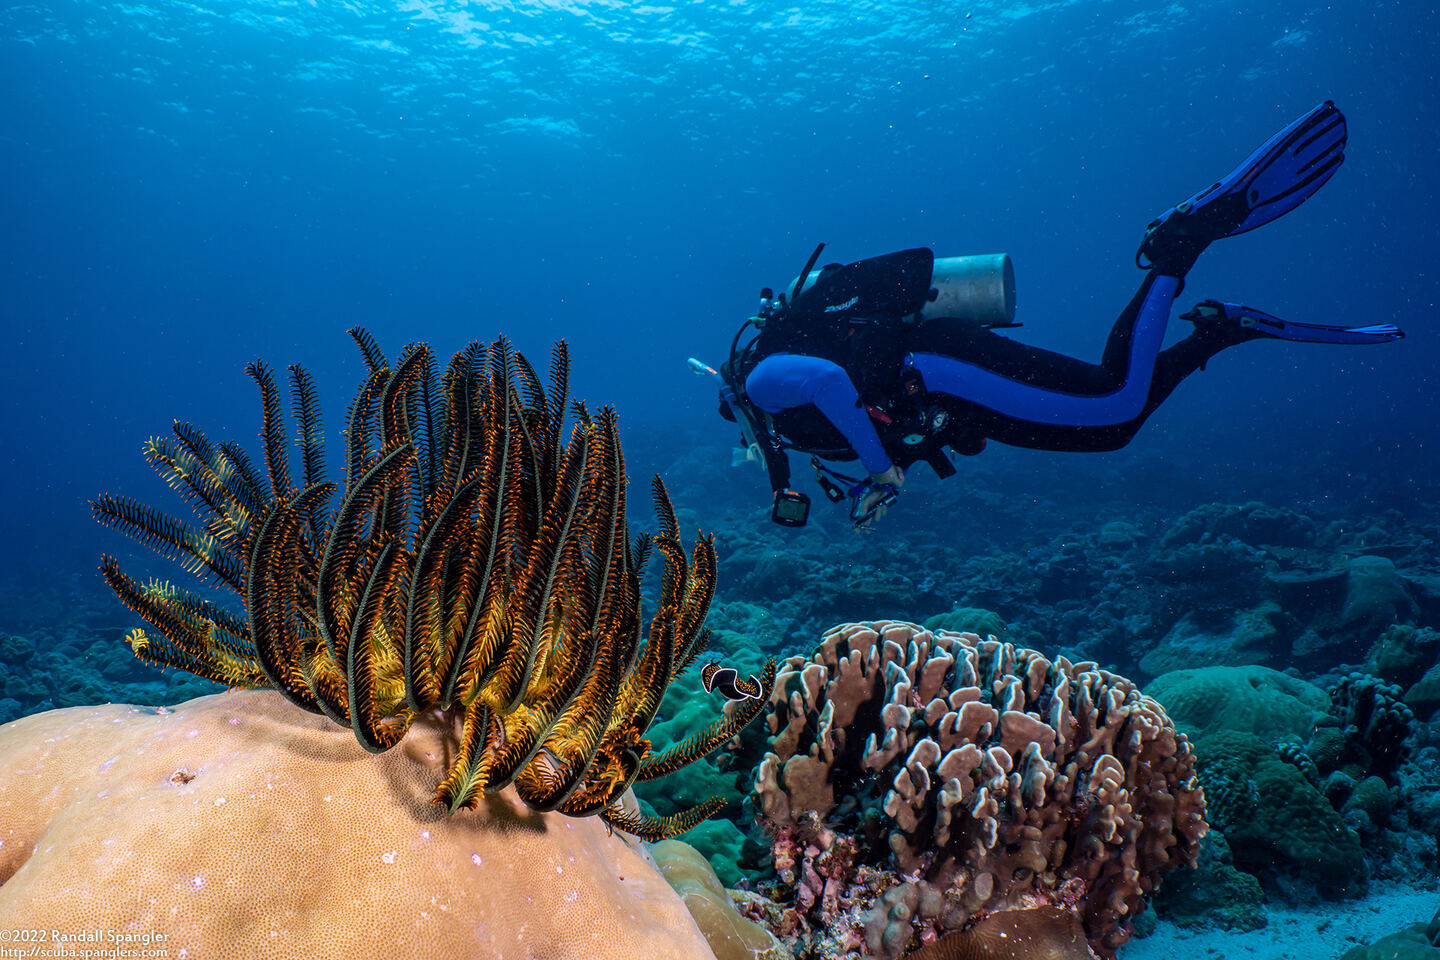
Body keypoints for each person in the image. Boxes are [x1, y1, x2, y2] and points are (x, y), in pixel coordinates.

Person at [704, 101, 1404, 530]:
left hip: (942, 365)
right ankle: (1217, 332)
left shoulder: (761, 383)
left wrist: (879, 472)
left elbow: (832, 387)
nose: (746, 443)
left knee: (1112, 401)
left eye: (737, 431)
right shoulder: (782, 424)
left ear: (733, 404)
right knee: (1110, 430)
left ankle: (1177, 248)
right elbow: (871, 412)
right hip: (946, 390)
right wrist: (888, 472)